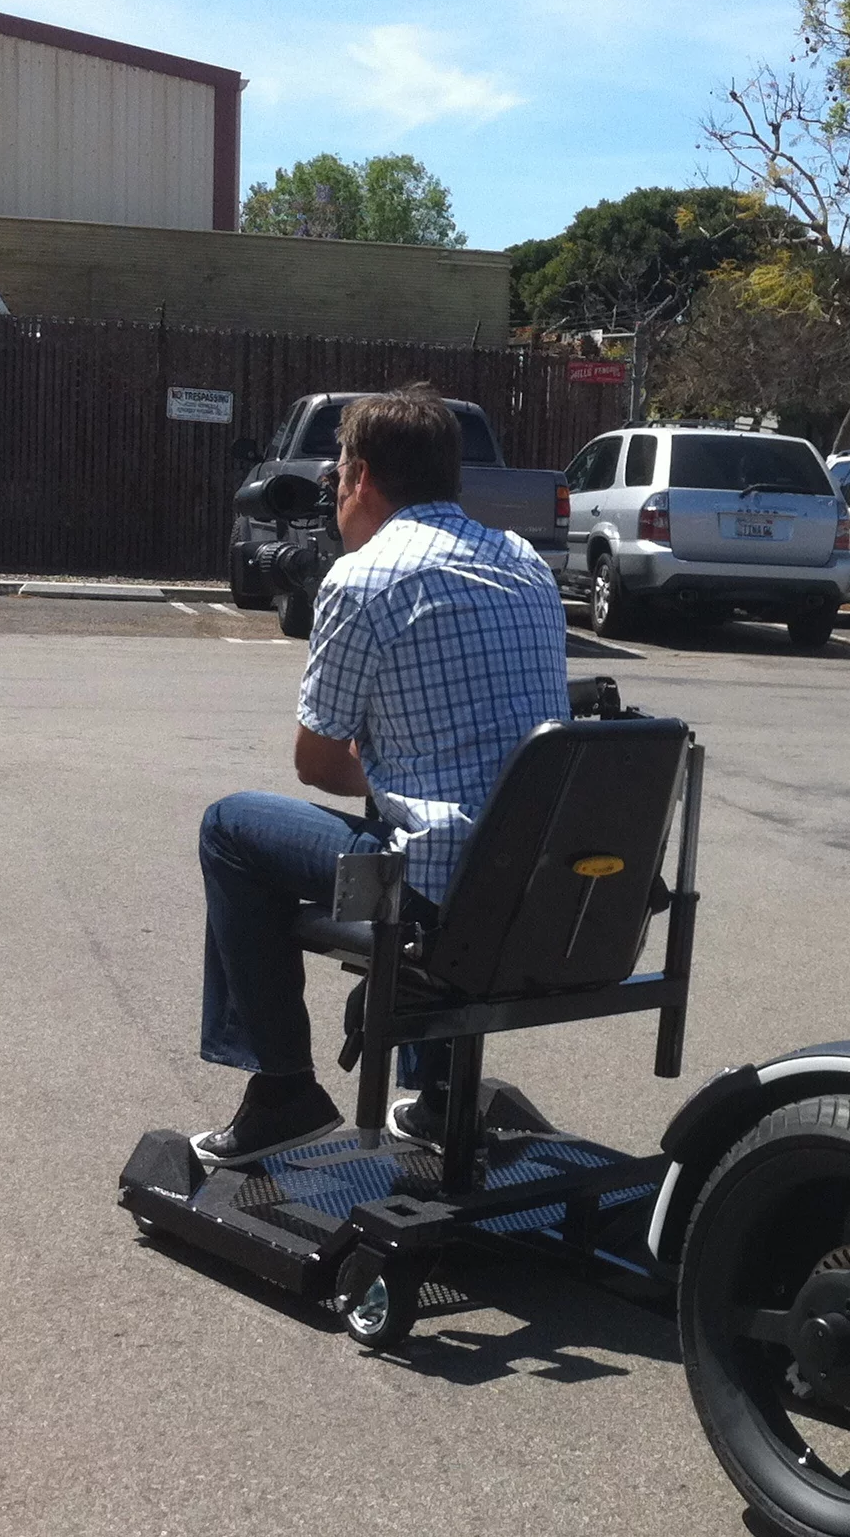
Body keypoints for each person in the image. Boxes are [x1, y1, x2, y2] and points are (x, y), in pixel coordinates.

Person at [192, 384, 568, 1159]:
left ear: (361, 477)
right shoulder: (526, 564)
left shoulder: (362, 579)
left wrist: (405, 765)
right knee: (440, 823)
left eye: (336, 476)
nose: (332, 494)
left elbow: (318, 763)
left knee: (230, 828)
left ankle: (283, 1087)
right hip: (533, 877)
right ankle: (433, 1096)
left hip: (429, 892)